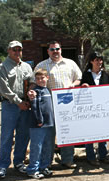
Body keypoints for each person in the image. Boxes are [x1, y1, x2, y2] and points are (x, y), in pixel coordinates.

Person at [29, 41, 82, 169]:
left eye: (57, 49)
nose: (55, 51)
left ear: (61, 50)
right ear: (48, 51)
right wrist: (31, 93)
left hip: (67, 103)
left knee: (67, 132)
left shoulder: (70, 63)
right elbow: (33, 82)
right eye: (52, 49)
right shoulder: (41, 65)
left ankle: (67, 159)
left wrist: (73, 84)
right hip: (49, 103)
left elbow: (79, 78)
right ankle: (47, 161)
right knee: (49, 134)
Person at [0, 41, 33, 178]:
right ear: (8, 50)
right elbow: (3, 88)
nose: (17, 52)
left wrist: (28, 99)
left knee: (23, 135)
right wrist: (18, 102)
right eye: (14, 50)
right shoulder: (2, 67)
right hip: (10, 105)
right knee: (7, 136)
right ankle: (3, 166)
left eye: (19, 49)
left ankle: (19, 163)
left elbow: (32, 83)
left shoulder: (27, 67)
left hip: (25, 105)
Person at [80, 52, 109, 166]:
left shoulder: (106, 75)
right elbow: (80, 90)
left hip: (103, 109)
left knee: (103, 133)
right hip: (89, 109)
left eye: (100, 60)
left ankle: (103, 155)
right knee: (89, 133)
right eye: (96, 60)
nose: (99, 62)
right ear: (91, 61)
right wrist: (83, 86)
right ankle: (91, 157)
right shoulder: (85, 75)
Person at [26, 69, 54, 179]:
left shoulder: (47, 90)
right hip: (38, 124)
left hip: (48, 123)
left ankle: (44, 166)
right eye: (37, 78)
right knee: (36, 147)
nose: (40, 80)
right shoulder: (35, 91)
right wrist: (39, 120)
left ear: (47, 78)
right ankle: (33, 169)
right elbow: (35, 107)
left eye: (42, 78)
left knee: (47, 146)